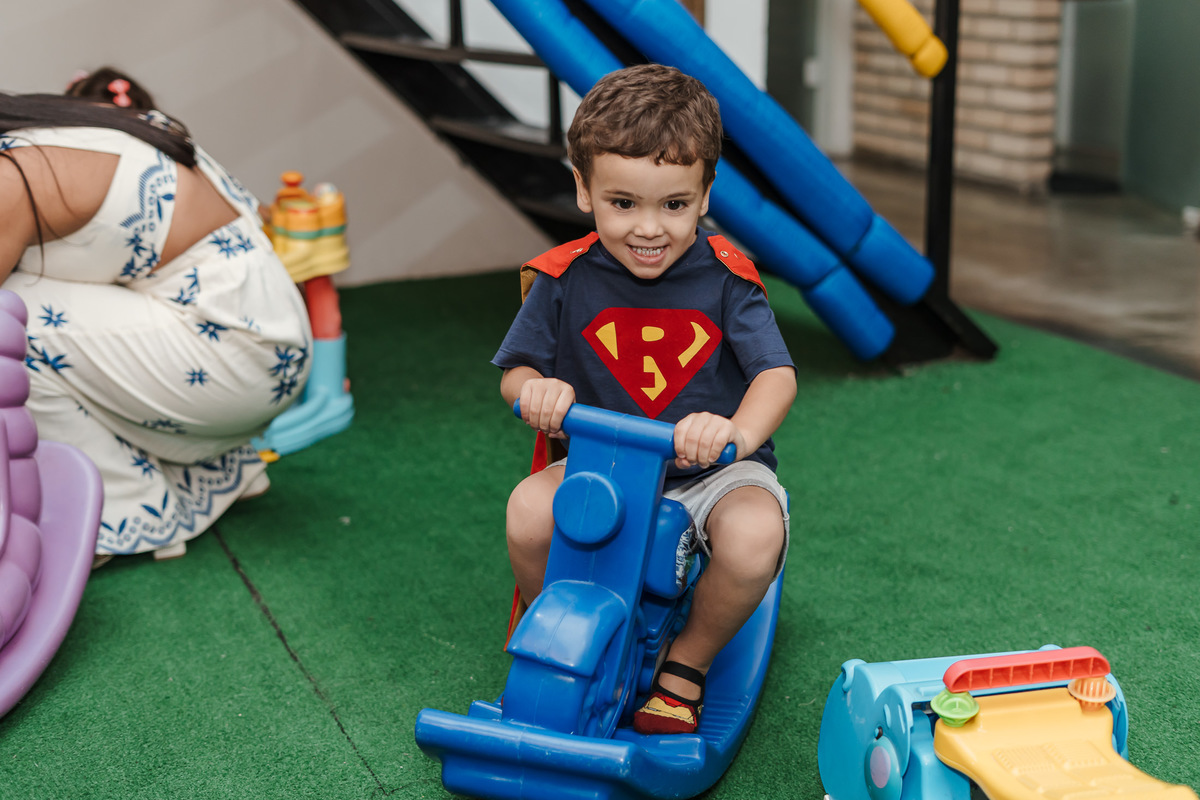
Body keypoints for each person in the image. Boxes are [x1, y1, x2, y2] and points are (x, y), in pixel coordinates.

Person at [492, 64, 797, 735]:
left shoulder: (727, 278)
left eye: (674, 205)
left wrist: (736, 434)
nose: (649, 229)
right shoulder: (564, 277)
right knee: (528, 512)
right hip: (603, 464)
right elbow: (516, 371)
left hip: (711, 471)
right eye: (624, 203)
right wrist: (536, 390)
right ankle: (561, 642)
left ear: (705, 194)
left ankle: (686, 664)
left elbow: (776, 375)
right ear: (584, 189)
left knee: (754, 534)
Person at [0, 90, 312, 565]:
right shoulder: (60, 124)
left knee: (11, 320)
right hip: (264, 337)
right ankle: (215, 468)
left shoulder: (10, 178)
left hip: (235, 359)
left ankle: (120, 512)